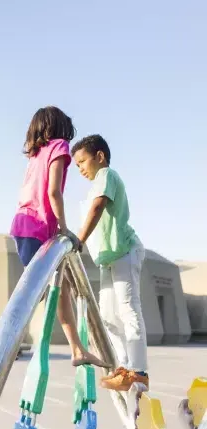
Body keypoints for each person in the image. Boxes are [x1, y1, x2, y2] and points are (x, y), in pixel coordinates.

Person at [0, 106, 108, 369]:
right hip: (37, 227)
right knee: (33, 291)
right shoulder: (58, 146)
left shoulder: (36, 154)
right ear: (59, 128)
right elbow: (53, 192)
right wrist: (64, 228)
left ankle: (76, 349)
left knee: (57, 291)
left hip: (24, 224)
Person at [72, 134, 148, 391]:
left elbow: (97, 209)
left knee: (128, 309)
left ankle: (139, 372)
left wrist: (78, 241)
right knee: (107, 316)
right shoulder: (94, 185)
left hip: (125, 250)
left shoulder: (106, 175)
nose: (80, 168)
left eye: (82, 161)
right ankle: (124, 368)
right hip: (109, 258)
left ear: (100, 156)